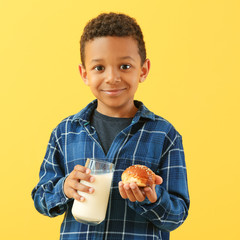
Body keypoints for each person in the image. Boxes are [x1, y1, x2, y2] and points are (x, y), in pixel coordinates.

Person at [31, 12, 190, 240]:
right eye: (99, 68)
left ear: (143, 70)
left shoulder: (165, 135)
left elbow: (178, 214)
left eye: (125, 66)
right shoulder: (65, 133)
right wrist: (65, 188)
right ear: (84, 74)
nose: (112, 78)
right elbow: (41, 198)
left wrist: (154, 198)